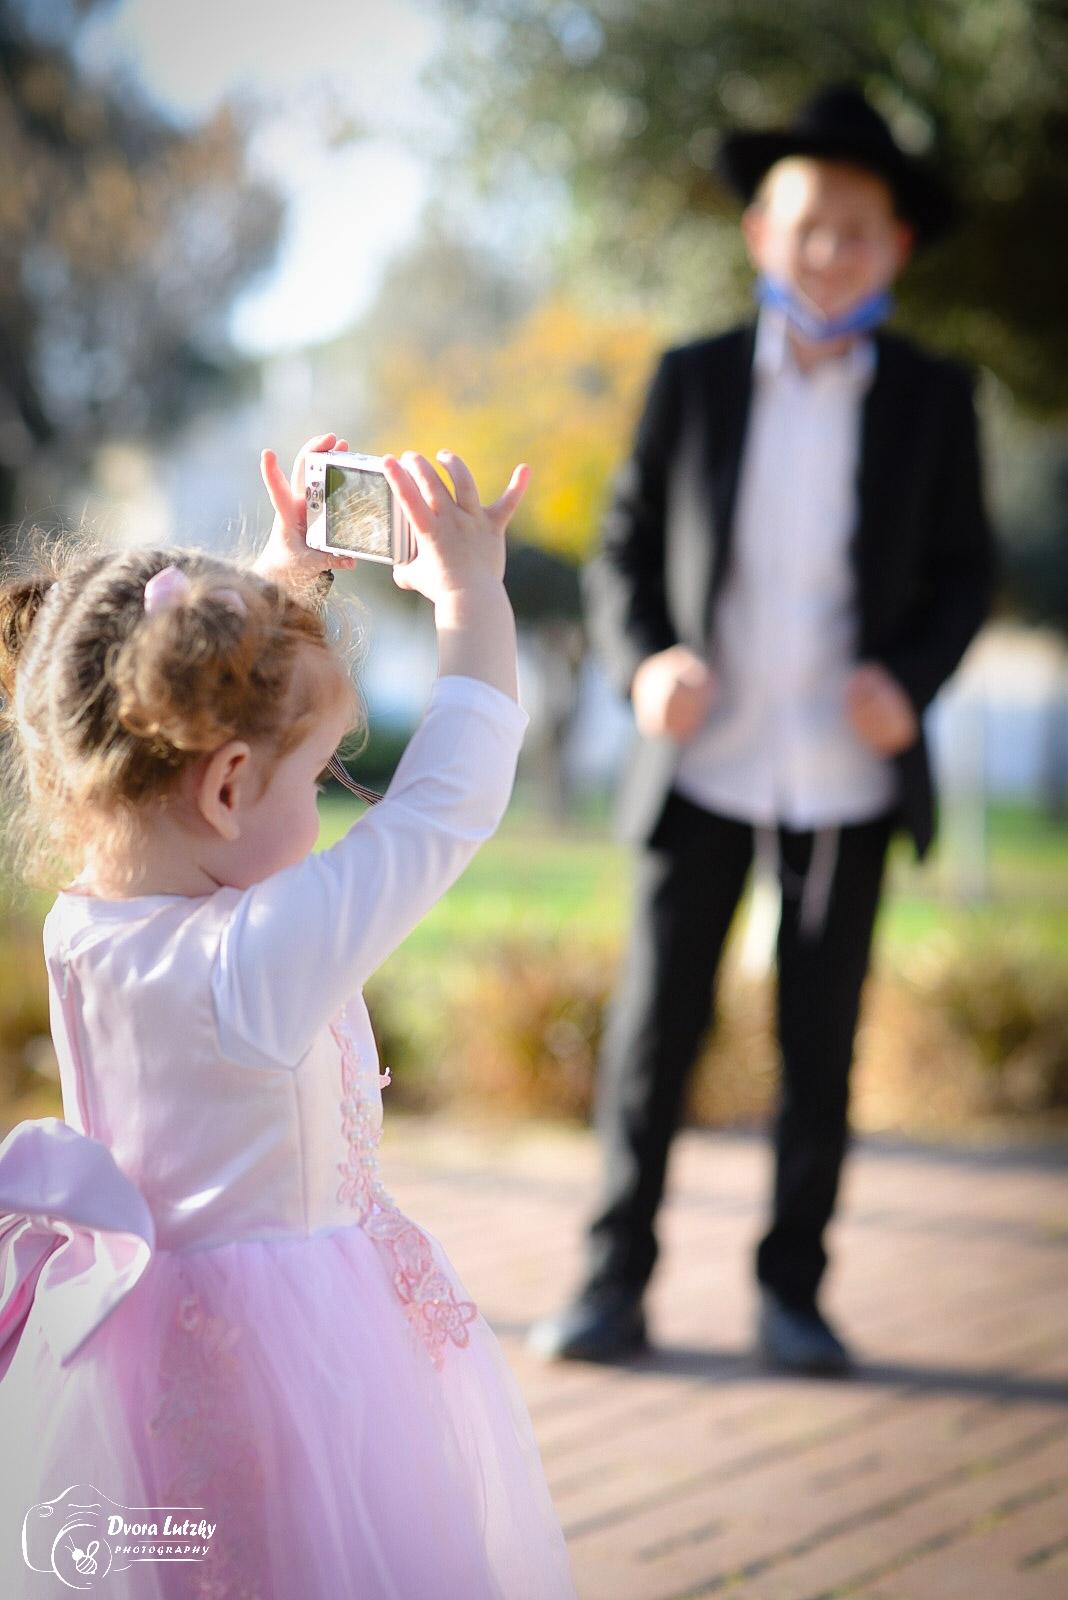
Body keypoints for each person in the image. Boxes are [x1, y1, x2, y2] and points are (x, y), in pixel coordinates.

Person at [0, 432, 576, 1598]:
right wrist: (471, 598)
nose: (321, 811)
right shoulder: (256, 957)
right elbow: (447, 802)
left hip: (139, 1357)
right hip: (286, 1367)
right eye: (315, 779)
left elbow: (187, 715)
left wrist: (280, 582)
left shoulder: (86, 923)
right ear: (224, 785)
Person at [530, 85, 996, 1374]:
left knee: (819, 1045)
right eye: (807, 224)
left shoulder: (934, 398)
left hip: (848, 775)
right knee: (655, 1032)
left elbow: (966, 573)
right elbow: (622, 548)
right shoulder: (692, 380)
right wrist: (643, 665)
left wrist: (912, 678)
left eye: (859, 229)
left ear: (896, 247)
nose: (831, 249)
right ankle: (612, 1280)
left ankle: (794, 1292)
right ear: (759, 234)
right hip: (705, 760)